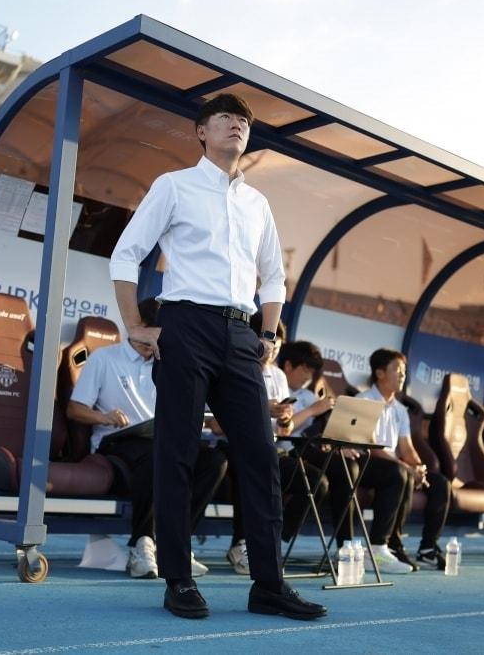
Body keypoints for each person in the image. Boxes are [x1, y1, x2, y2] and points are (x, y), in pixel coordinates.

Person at [109, 93, 326, 620]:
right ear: (201, 132)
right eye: (226, 119)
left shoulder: (257, 204)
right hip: (185, 325)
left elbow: (273, 275)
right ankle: (178, 578)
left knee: (260, 456)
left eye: (245, 122)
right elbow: (126, 253)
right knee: (178, 452)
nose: (238, 126)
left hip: (240, 334)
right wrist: (134, 325)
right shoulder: (174, 185)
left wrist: (269, 335)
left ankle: (268, 585)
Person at [67, 299, 227, 579]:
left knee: (214, 461)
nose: (154, 344)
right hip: (117, 443)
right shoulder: (104, 358)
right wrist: (105, 418)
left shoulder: (171, 363)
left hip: (160, 438)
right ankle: (142, 544)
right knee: (159, 455)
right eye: (151, 337)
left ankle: (176, 544)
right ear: (137, 327)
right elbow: (75, 409)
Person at [283, 342, 409, 574]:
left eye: (312, 373)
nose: (308, 377)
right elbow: (283, 430)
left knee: (393, 472)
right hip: (291, 450)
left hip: (318, 450)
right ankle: (345, 546)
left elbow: (326, 429)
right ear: (288, 366)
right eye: (304, 371)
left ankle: (376, 547)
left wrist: (338, 443)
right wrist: (312, 411)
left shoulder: (309, 396)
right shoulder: (276, 387)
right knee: (342, 469)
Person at [219, 318, 330, 575]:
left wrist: (285, 418)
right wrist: (262, 409)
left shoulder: (278, 374)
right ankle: (242, 543)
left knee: (316, 482)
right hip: (234, 444)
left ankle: (271, 542)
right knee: (253, 467)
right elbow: (219, 420)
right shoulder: (232, 365)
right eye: (268, 347)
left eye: (276, 349)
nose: (271, 354)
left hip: (272, 446)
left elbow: (286, 428)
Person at [356, 349, 451, 572]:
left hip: (392, 464)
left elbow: (407, 448)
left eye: (404, 371)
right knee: (400, 474)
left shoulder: (400, 409)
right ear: (379, 373)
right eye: (397, 370)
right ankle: (386, 546)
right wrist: (407, 467)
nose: (402, 375)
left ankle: (427, 548)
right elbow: (373, 448)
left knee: (440, 484)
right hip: (368, 463)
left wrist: (418, 467)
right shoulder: (364, 401)